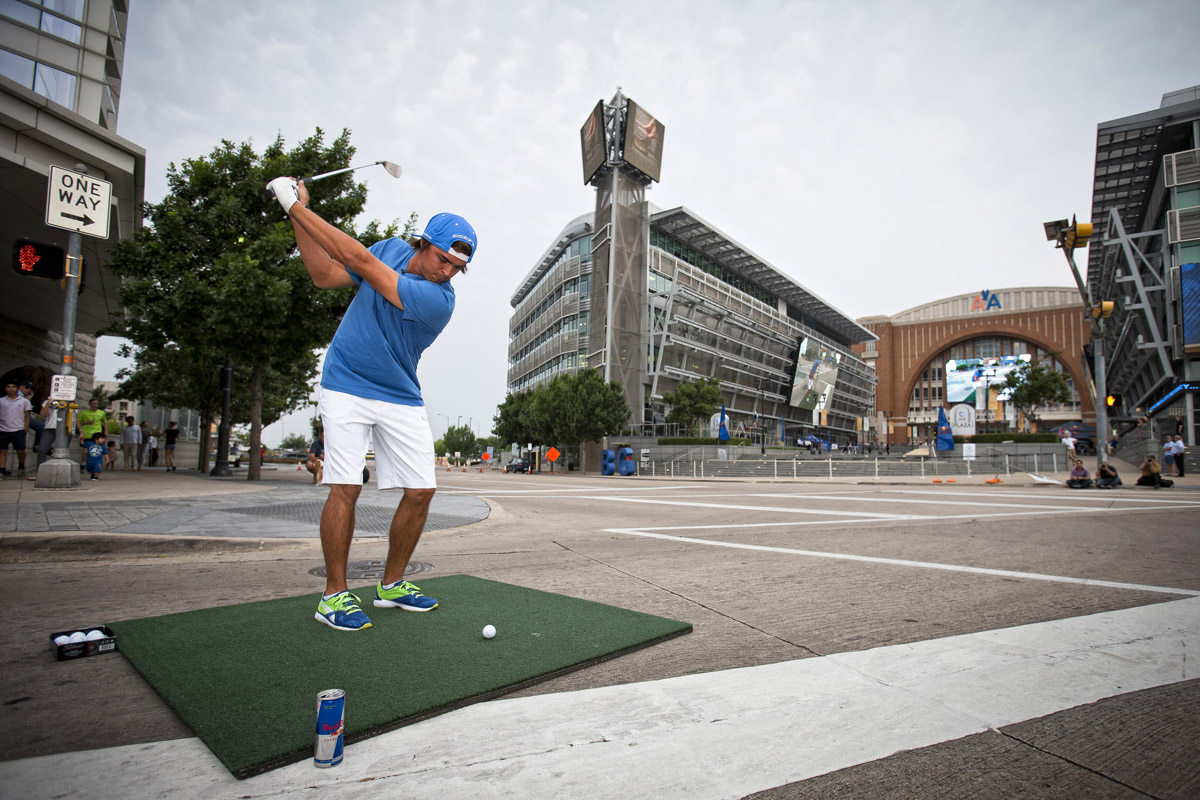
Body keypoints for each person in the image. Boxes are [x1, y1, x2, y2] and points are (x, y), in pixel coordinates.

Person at [267, 174, 477, 632]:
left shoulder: (439, 300)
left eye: (456, 268)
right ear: (422, 244)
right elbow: (326, 273)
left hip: (399, 393)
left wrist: (295, 208)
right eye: (443, 259)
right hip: (345, 382)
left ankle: (391, 584)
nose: (447, 271)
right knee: (345, 484)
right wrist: (299, 214)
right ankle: (334, 594)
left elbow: (355, 256)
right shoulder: (389, 249)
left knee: (422, 491)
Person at [0, 381, 32, 478]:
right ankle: (2, 470)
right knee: (2, 450)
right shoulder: (1, 400)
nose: (11, 389)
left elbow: (27, 415)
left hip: (18, 429)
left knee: (21, 450)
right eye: (8, 386)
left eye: (13, 387)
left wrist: (25, 427)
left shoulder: (24, 401)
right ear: (5, 389)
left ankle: (21, 466)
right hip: (3, 429)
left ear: (17, 389)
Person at [76, 398, 107, 466]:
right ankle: (83, 463)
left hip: (97, 434)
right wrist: (87, 422)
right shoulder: (84, 413)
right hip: (86, 434)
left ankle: (95, 464)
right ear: (89, 404)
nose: (94, 405)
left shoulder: (101, 413)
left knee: (96, 450)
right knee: (85, 451)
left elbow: (104, 422)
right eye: (92, 404)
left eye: (96, 404)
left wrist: (105, 431)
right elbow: (78, 422)